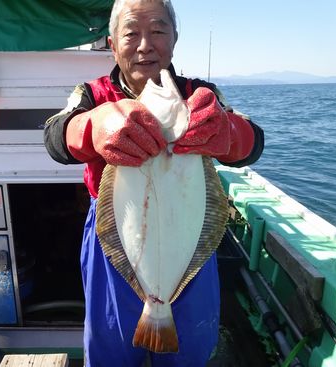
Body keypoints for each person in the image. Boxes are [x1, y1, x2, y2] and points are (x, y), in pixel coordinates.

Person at [44, 0, 264, 365]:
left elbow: (253, 142)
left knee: (189, 350)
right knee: (111, 348)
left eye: (159, 31)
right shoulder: (92, 95)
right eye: (131, 33)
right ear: (113, 44)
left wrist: (229, 132)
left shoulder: (200, 96)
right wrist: (91, 127)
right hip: (114, 238)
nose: (146, 44)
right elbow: (55, 135)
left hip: (187, 235)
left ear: (174, 40)